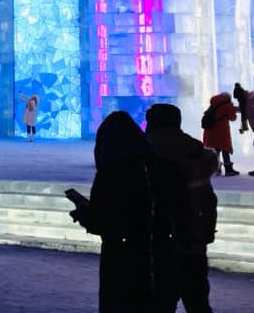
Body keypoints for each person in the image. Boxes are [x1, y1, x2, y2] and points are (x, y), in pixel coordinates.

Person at [68, 110, 182, 313]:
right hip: (159, 257)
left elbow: (102, 220)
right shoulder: (159, 165)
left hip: (121, 260)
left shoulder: (111, 172)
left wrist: (84, 212)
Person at [146, 103, 218, 313]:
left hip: (162, 240)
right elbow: (208, 200)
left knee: (161, 300)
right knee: (197, 300)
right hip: (195, 238)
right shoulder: (196, 154)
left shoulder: (150, 157)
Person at [202, 92, 239, 176]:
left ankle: (216, 169)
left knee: (216, 150)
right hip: (222, 131)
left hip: (210, 131)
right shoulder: (227, 106)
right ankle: (228, 169)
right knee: (225, 150)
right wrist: (232, 108)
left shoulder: (213, 104)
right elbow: (233, 118)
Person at [233, 82, 254, 176]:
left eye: (238, 98)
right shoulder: (248, 99)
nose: (238, 100)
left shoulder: (251, 100)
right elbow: (244, 109)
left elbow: (248, 111)